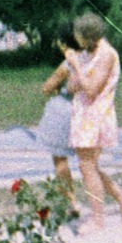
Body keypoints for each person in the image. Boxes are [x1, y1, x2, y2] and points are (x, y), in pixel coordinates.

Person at [63, 13, 122, 230]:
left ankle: (98, 220)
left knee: (87, 167)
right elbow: (70, 87)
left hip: (96, 116)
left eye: (78, 35)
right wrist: (77, 71)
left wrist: (75, 66)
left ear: (88, 35)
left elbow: (92, 90)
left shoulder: (107, 54)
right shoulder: (87, 53)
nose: (76, 40)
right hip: (83, 115)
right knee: (89, 167)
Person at [37, 24, 81, 213]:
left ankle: (71, 202)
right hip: (85, 112)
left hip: (64, 111)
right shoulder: (92, 59)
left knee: (60, 161)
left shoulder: (67, 64)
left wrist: (55, 88)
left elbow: (47, 87)